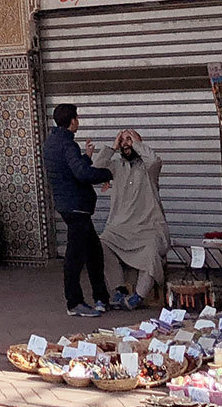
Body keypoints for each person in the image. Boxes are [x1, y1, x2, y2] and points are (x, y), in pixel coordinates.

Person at [44, 104, 113, 316]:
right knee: (75, 257)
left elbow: (70, 169)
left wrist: (87, 157)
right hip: (77, 207)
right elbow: (81, 174)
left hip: (68, 205)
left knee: (94, 253)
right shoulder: (68, 144)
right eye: (77, 118)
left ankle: (101, 298)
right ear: (72, 120)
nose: (78, 121)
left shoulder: (51, 142)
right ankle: (74, 302)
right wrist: (108, 173)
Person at [91, 129, 167, 310]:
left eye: (129, 139)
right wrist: (112, 147)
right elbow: (94, 171)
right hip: (120, 228)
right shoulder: (116, 166)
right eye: (123, 140)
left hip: (149, 228)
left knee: (151, 251)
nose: (126, 143)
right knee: (101, 244)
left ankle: (138, 297)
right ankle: (119, 290)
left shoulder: (149, 169)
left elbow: (155, 160)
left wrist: (138, 144)